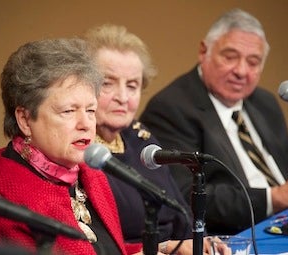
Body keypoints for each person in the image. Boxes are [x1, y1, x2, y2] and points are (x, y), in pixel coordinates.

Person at [140, 9, 288, 235]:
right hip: (239, 233)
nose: (241, 71)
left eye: (253, 62)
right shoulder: (171, 108)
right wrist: (276, 197)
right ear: (203, 51)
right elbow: (184, 195)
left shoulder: (263, 101)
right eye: (230, 57)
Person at [0, 38, 144, 255]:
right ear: (25, 120)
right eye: (68, 111)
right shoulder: (2, 200)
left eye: (90, 110)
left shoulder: (88, 171)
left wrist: (159, 248)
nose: (86, 124)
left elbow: (103, 248)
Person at [83, 24, 222, 255]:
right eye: (107, 83)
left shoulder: (140, 136)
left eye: (132, 85)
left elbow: (182, 215)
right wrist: (169, 248)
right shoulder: (80, 151)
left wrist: (202, 245)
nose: (123, 97)